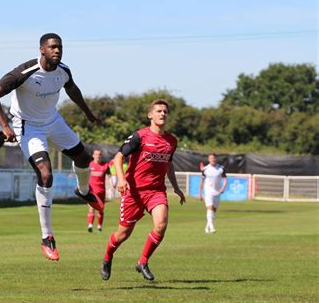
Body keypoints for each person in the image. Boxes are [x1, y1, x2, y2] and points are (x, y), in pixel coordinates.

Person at [0, 33, 103, 262]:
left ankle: (84, 191)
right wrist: (4, 126)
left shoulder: (63, 71)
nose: (57, 50)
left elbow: (73, 90)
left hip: (53, 120)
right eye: (52, 47)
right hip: (28, 126)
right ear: (42, 50)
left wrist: (88, 114)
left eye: (59, 47)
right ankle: (47, 237)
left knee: (83, 158)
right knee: (45, 174)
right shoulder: (25, 72)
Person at [100, 99, 186, 281]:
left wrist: (176, 188)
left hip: (156, 191)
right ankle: (108, 257)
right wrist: (122, 180)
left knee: (161, 224)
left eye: (165, 111)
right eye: (159, 111)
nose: (163, 114)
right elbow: (118, 157)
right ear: (150, 115)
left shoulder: (171, 141)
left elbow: (169, 165)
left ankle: (143, 261)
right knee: (123, 234)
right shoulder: (140, 136)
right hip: (134, 192)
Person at [198, 153, 227, 233]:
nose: (212, 160)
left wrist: (223, 188)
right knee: (210, 207)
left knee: (214, 210)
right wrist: (200, 193)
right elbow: (202, 181)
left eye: (214, 158)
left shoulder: (221, 168)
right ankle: (212, 227)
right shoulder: (205, 169)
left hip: (217, 191)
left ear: (216, 159)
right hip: (208, 191)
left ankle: (207, 226)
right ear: (208, 159)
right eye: (211, 158)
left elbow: (225, 179)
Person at [86, 148, 111, 233]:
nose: (98, 156)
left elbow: (110, 176)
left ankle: (99, 226)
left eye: (99, 154)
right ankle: (90, 225)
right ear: (93, 155)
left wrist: (111, 186)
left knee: (100, 209)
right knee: (91, 208)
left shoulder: (105, 165)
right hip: (92, 191)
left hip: (102, 191)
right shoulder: (90, 165)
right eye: (96, 154)